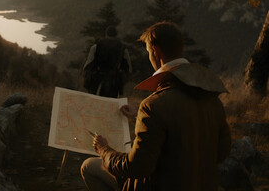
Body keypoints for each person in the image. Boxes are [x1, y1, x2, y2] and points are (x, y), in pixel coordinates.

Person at [81, 21, 231, 191]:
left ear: (156, 51)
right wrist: (139, 117)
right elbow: (222, 152)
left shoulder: (154, 105)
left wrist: (104, 150)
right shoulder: (213, 100)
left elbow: (136, 167)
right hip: (201, 184)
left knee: (88, 166)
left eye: (148, 53)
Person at [83, 26, 132, 98]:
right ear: (116, 34)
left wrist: (87, 77)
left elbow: (88, 64)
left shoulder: (96, 46)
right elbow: (128, 68)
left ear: (106, 34)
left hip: (98, 79)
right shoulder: (122, 48)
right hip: (114, 81)